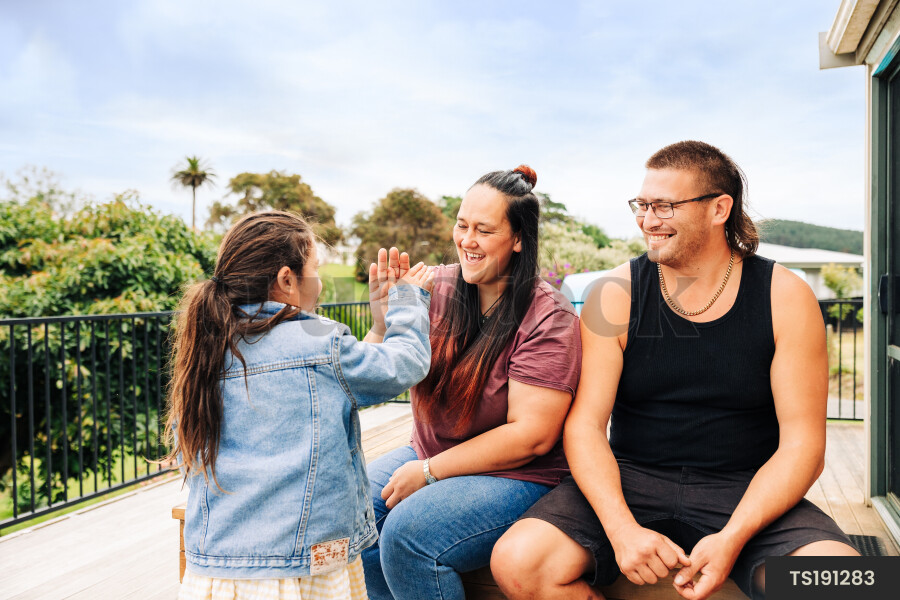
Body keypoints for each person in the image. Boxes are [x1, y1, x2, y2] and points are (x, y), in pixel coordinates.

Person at [491, 141, 858, 600]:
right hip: (631, 481)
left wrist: (733, 538)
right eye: (641, 205)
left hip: (747, 488)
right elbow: (584, 427)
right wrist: (622, 531)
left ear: (719, 208)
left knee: (849, 582)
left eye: (664, 206)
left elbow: (804, 445)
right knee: (518, 561)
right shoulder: (614, 294)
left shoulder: (785, 296)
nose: (647, 220)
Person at [166, 210, 435, 600]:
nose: (321, 282)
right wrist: (410, 301)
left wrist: (378, 327)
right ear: (287, 280)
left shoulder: (207, 348)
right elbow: (404, 363)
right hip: (303, 569)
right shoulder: (318, 343)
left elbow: (336, 384)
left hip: (218, 570)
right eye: (315, 269)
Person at [362, 166, 582, 599]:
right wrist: (382, 323)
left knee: (409, 537)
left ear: (518, 239)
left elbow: (532, 436)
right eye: (462, 225)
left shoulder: (548, 317)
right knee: (355, 510)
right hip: (431, 451)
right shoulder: (435, 287)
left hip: (520, 475)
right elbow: (376, 375)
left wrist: (427, 473)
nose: (467, 240)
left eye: (484, 230)